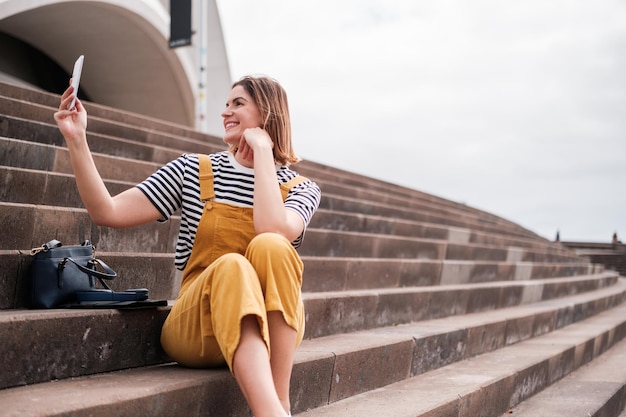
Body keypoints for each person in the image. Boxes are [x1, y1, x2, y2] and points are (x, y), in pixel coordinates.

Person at [54, 75, 321, 417]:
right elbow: (107, 211)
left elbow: (272, 227)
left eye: (238, 104)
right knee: (232, 265)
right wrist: (76, 139)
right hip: (199, 326)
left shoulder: (302, 188)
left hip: (272, 334)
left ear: (267, 114)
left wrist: (265, 155)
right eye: (226, 104)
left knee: (273, 243)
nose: (226, 112)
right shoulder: (194, 170)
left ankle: (279, 403)